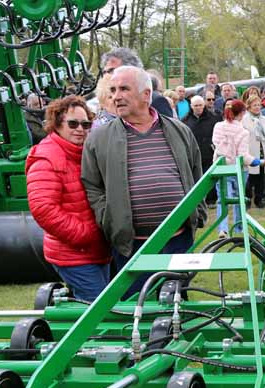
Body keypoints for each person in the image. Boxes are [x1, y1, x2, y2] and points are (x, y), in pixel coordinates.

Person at [81, 66, 205, 298]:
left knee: (176, 305)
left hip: (178, 241)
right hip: (131, 245)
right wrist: (108, 218)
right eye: (113, 90)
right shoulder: (99, 138)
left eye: (124, 89)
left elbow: (196, 173)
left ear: (146, 95)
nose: (116, 96)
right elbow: (92, 184)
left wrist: (196, 210)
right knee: (136, 310)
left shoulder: (179, 130)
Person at [26, 96, 110, 301]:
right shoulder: (48, 157)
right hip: (76, 254)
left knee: (102, 305)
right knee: (99, 311)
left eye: (86, 124)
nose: (80, 129)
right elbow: (43, 208)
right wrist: (85, 234)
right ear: (57, 124)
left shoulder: (84, 153)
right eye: (72, 123)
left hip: (97, 250)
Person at [212, 100, 265, 237]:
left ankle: (223, 229)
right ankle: (239, 228)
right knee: (239, 199)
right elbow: (243, 156)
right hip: (239, 169)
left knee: (222, 199)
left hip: (221, 167)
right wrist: (259, 162)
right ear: (243, 113)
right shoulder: (243, 132)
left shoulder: (218, 126)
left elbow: (217, 145)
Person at [242, 95, 265, 207]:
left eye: (259, 105)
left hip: (263, 152)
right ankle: (247, 199)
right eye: (254, 105)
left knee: (261, 179)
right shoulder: (244, 120)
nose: (257, 107)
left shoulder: (264, 119)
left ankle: (259, 200)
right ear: (249, 107)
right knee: (249, 179)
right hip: (250, 153)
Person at [183, 93, 219, 181]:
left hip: (210, 156)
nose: (198, 108)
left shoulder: (213, 118)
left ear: (204, 105)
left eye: (200, 105)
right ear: (191, 106)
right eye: (196, 106)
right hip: (194, 157)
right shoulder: (185, 121)